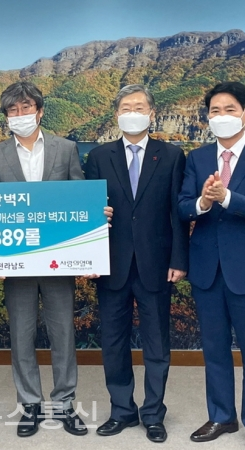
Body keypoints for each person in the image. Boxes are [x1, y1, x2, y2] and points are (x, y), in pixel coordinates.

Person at [178, 81, 245, 450]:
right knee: (214, 349)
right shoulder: (197, 159)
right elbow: (182, 206)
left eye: (229, 110)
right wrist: (203, 203)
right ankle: (221, 416)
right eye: (215, 111)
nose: (221, 116)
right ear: (207, 117)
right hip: (207, 269)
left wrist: (226, 197)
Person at [0, 81, 88, 437]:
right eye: (12, 110)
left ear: (39, 111)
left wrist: (94, 217)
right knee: (21, 336)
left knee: (63, 335)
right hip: (16, 262)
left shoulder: (66, 149)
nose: (20, 115)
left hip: (58, 260)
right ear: (6, 116)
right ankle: (29, 405)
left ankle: (65, 403)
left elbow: (79, 198)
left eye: (26, 108)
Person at [84, 84, 189, 443]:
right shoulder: (99, 156)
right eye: (126, 107)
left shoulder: (171, 155)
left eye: (139, 107)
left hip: (156, 264)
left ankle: (154, 414)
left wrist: (179, 259)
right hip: (111, 264)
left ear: (151, 113)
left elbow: (177, 212)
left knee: (156, 345)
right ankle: (122, 411)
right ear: (116, 114)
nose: (133, 112)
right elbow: (87, 211)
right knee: (113, 343)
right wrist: (90, 252)